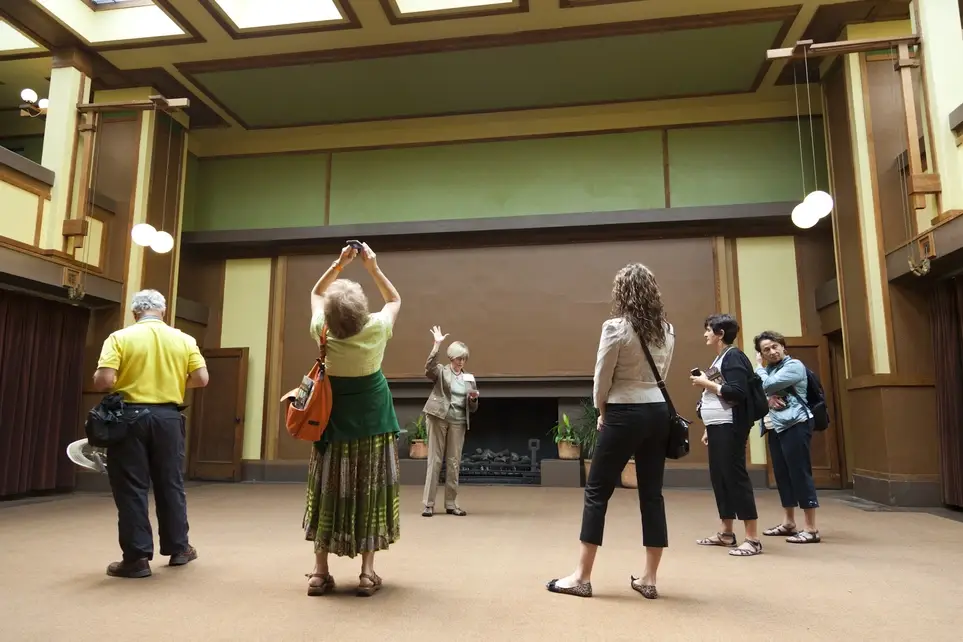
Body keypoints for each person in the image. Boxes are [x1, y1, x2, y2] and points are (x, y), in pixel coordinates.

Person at [546, 263, 675, 599]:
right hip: (658, 412)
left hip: (624, 411)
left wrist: (602, 411)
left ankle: (582, 577)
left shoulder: (615, 328)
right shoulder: (668, 329)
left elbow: (602, 376)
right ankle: (649, 578)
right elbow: (662, 375)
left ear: (622, 292)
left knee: (597, 491)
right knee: (652, 494)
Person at [303, 242, 402, 597]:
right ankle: (366, 573)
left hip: (331, 423)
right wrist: (372, 267)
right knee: (370, 492)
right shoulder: (376, 328)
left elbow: (316, 291)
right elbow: (394, 300)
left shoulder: (322, 329)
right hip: (374, 424)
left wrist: (339, 264)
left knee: (327, 490)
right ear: (362, 310)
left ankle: (319, 572)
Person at [92, 289, 208, 578]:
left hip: (129, 418)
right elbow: (201, 379)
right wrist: (170, 381)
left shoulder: (120, 337)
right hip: (168, 417)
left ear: (135, 314)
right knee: (171, 483)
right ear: (164, 312)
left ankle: (137, 558)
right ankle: (180, 549)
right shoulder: (184, 339)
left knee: (131, 487)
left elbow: (105, 380)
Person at [690, 314, 761, 556]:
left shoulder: (734, 356)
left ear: (720, 333)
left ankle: (752, 538)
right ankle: (726, 532)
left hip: (731, 426)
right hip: (718, 427)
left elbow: (737, 392)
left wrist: (705, 383)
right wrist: (709, 427)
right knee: (720, 477)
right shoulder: (721, 357)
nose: (705, 334)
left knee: (736, 477)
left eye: (709, 330)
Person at [753, 330, 820, 544]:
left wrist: (759, 369)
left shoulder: (794, 366)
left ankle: (810, 528)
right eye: (766, 350)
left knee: (800, 473)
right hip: (776, 426)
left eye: (775, 346)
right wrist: (768, 395)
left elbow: (764, 385)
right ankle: (789, 522)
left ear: (783, 346)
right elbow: (759, 390)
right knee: (782, 475)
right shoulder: (771, 370)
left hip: (796, 423)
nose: (772, 352)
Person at [421, 327, 479, 517]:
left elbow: (473, 408)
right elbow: (429, 368)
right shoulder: (441, 372)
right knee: (435, 460)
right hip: (438, 417)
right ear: (451, 357)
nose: (461, 362)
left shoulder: (469, 379)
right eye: (458, 358)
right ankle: (428, 504)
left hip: (459, 421)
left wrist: (473, 400)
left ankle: (451, 503)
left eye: (464, 359)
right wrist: (437, 344)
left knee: (454, 462)